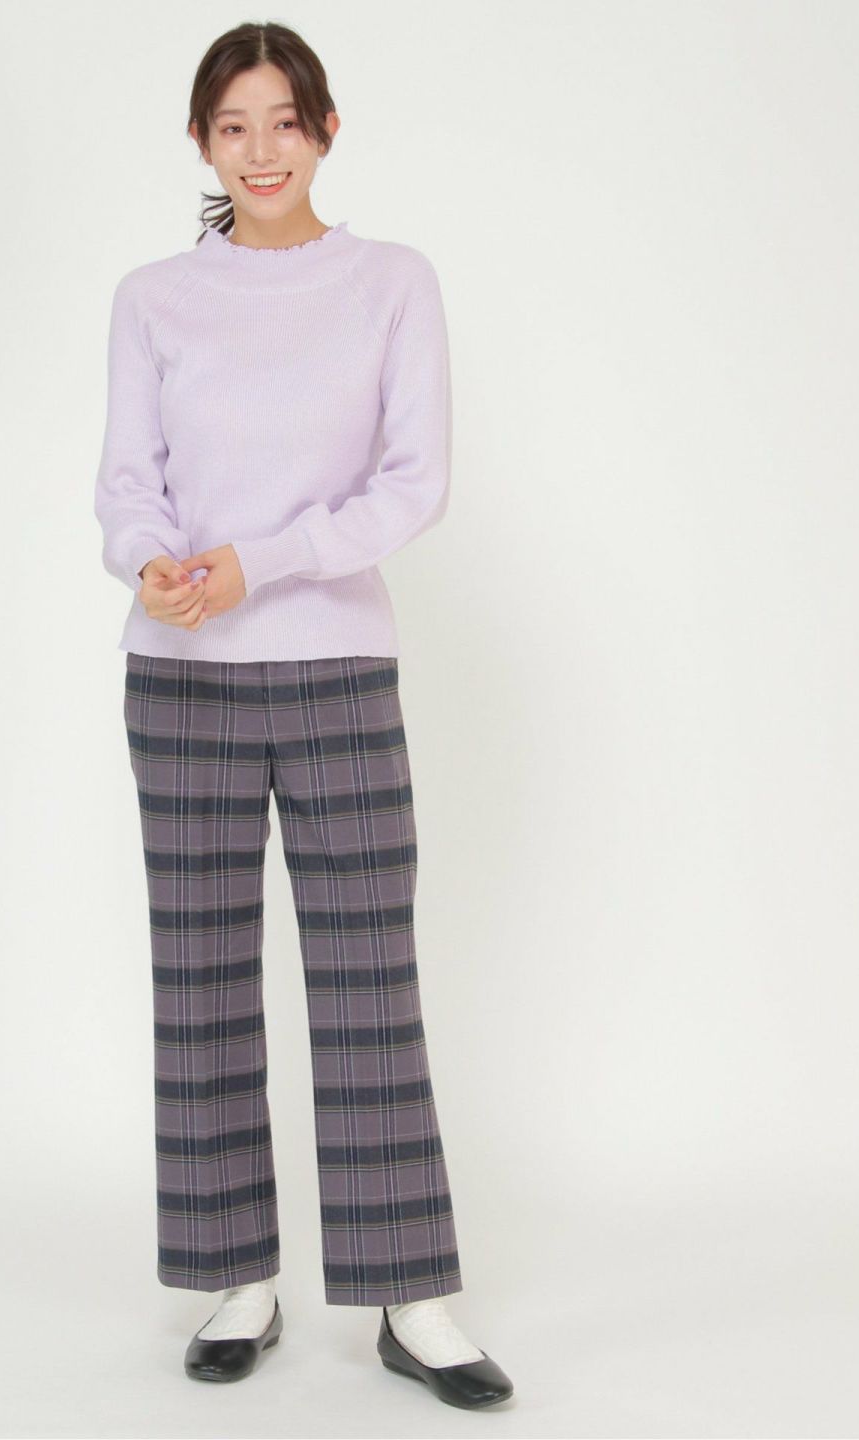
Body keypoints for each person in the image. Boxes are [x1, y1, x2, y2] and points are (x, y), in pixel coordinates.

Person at [93, 20, 514, 1411]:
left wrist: (257, 565)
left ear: (326, 130)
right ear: (201, 142)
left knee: (367, 976)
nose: (260, 150)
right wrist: (151, 562)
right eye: (233, 126)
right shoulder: (154, 298)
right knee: (202, 979)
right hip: (181, 673)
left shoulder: (391, 283)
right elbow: (127, 482)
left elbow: (412, 484)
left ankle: (411, 1299)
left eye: (284, 121)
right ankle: (239, 1279)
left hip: (335, 666)